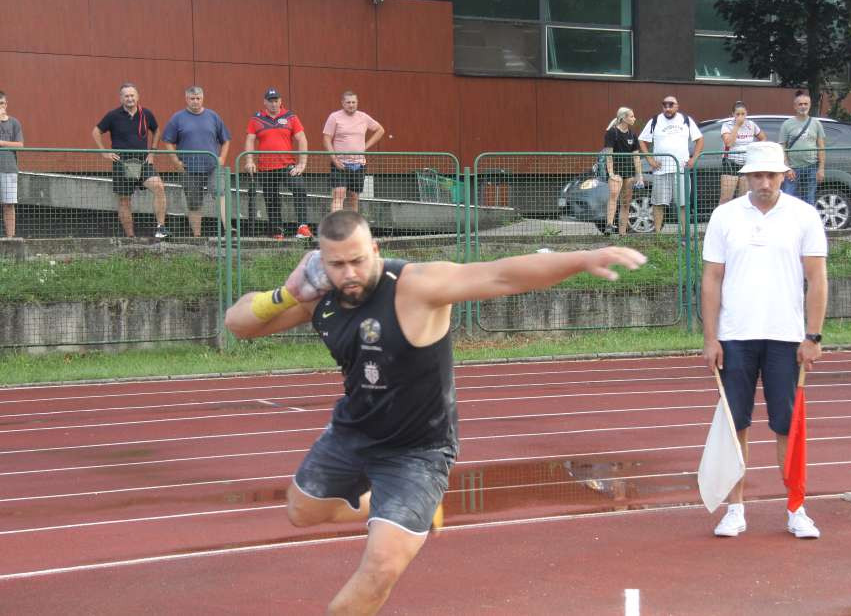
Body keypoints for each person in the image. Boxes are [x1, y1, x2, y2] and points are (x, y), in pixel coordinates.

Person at [224, 210, 646, 615]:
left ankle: (407, 509)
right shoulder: (322, 298)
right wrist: (287, 294)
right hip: (351, 433)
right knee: (300, 512)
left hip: (418, 451)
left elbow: (500, 274)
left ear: (375, 247)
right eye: (337, 265)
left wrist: (585, 258)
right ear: (321, 262)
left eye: (357, 260)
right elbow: (239, 325)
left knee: (380, 569)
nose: (349, 273)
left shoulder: (417, 285)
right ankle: (382, 505)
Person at [700, 141, 828, 540]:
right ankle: (735, 508)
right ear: (747, 177)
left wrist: (813, 336)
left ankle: (796, 508)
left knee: (787, 426)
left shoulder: (804, 215)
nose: (764, 182)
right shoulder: (724, 216)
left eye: (771, 174)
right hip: (735, 337)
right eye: (757, 174)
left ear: (784, 175)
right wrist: (710, 337)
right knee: (735, 424)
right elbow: (711, 279)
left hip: (786, 338)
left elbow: (817, 279)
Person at [91, 83, 168, 239]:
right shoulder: (113, 115)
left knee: (159, 186)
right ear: (121, 98)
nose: (130, 98)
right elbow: (96, 132)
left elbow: (157, 130)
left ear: (137, 96)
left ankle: (161, 228)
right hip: (122, 163)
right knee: (124, 200)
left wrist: (152, 151)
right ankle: (130, 238)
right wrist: (104, 152)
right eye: (126, 96)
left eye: (132, 95)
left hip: (143, 162)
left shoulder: (146, 113)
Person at [162, 86, 231, 237]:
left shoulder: (213, 116)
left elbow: (226, 140)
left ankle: (228, 231)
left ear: (202, 98)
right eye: (192, 99)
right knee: (194, 203)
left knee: (221, 194)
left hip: (213, 166)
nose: (195, 101)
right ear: (186, 99)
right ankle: (197, 237)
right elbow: (167, 141)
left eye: (198, 98)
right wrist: (175, 161)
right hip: (189, 168)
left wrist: (222, 158)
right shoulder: (177, 118)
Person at [245, 88, 311, 239]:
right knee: (271, 198)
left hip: (287, 166)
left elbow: (302, 138)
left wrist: (302, 164)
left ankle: (302, 227)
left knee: (299, 189)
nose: (274, 104)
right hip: (265, 167)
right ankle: (277, 230)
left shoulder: (290, 117)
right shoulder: (257, 118)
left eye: (276, 101)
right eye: (270, 101)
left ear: (280, 101)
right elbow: (250, 139)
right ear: (265, 102)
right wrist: (249, 161)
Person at [638, 96, 704, 234]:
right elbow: (642, 140)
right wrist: (650, 160)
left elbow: (700, 139)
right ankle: (658, 236)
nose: (667, 108)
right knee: (658, 203)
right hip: (661, 170)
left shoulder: (686, 120)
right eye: (665, 105)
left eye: (671, 105)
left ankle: (685, 235)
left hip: (681, 170)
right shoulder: (655, 120)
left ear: (677, 106)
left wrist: (694, 158)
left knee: (683, 204)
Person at [322, 91, 385, 213]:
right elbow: (326, 139)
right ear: (342, 103)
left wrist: (366, 146)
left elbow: (380, 130)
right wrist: (334, 159)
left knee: (354, 197)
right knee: (338, 195)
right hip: (340, 164)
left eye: (353, 102)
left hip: (359, 164)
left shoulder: (363, 117)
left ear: (357, 103)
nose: (351, 105)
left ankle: (352, 228)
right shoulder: (334, 117)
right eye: (348, 102)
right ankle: (336, 227)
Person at [778, 91, 826, 206]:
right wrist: (787, 168)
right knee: (788, 200)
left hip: (811, 168)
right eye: (800, 104)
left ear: (809, 105)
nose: (803, 106)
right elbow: (781, 147)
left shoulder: (816, 124)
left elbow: (821, 147)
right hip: (792, 170)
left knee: (809, 200)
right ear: (795, 106)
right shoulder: (787, 124)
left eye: (806, 104)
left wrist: (821, 168)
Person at [601, 107, 643, 236]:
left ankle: (622, 233)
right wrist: (611, 173)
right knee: (614, 195)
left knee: (626, 202)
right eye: (631, 116)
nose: (634, 118)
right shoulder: (612, 133)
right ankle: (609, 225)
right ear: (623, 118)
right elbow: (609, 154)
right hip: (616, 171)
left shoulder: (632, 135)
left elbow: (636, 157)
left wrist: (639, 176)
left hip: (628, 172)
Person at [718, 101, 766, 205]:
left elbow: (763, 138)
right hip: (731, 163)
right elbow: (729, 143)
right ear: (732, 115)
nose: (740, 116)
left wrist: (755, 151)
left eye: (743, 114)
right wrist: (737, 126)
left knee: (744, 199)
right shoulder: (727, 125)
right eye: (738, 114)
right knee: (726, 198)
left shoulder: (751, 125)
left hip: (747, 164)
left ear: (746, 114)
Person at [0, 92, 24, 239]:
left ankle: (10, 240)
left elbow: (20, 145)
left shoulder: (14, 122)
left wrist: (2, 143)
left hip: (8, 169)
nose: (1, 107)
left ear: (6, 104)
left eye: (2, 103)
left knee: (9, 205)